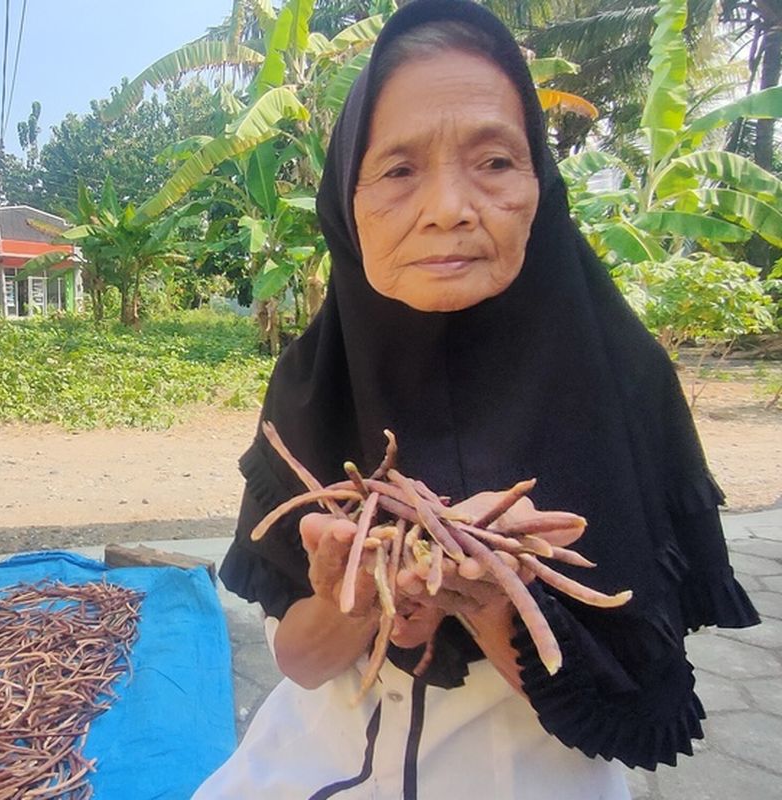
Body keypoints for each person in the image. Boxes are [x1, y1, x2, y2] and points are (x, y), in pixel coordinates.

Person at [193, 1, 760, 798]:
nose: (450, 207)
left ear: (540, 181)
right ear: (345, 202)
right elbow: (300, 661)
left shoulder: (624, 378)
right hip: (317, 763)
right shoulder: (311, 384)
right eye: (398, 170)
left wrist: (494, 598)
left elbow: (635, 709)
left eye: (494, 162)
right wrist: (357, 601)